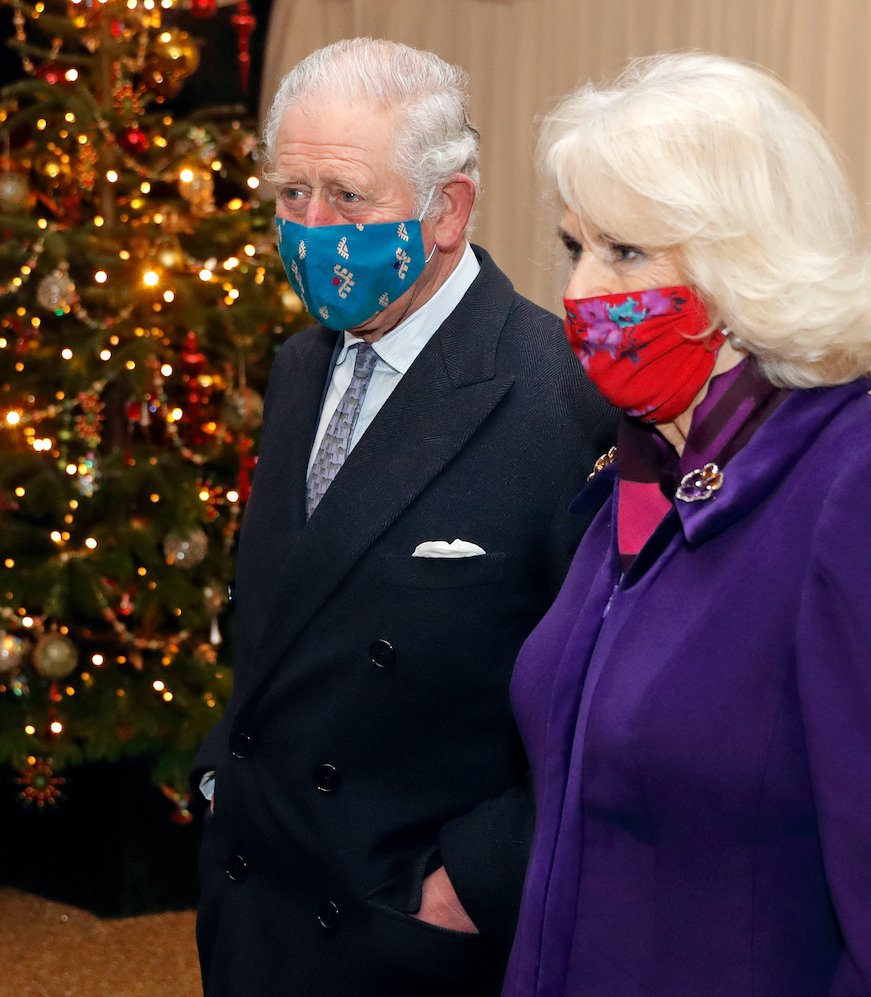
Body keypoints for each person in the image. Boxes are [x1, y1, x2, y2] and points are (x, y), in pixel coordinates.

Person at [503, 52, 871, 997]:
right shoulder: (642, 465)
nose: (577, 294)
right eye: (575, 248)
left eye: (627, 252)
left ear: (746, 268)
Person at [190, 38, 617, 997]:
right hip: (257, 897)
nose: (310, 227)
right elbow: (278, 622)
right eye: (289, 194)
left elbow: (598, 697)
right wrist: (220, 780)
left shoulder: (567, 396)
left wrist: (472, 879)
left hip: (405, 931)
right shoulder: (302, 363)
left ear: (446, 210)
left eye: (346, 196)